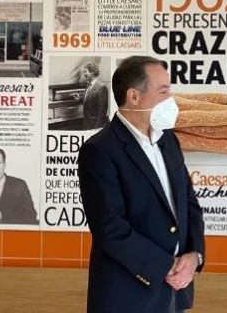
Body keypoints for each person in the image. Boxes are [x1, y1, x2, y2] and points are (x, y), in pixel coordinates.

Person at [78, 56, 205, 313]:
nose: (171, 99)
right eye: (163, 91)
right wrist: (166, 266)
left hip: (175, 290)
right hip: (127, 295)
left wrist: (194, 256)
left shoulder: (169, 141)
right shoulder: (100, 150)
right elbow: (111, 229)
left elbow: (189, 203)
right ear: (134, 97)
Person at [76, 61, 109, 130]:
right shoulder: (88, 85)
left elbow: (102, 113)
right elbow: (91, 99)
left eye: (85, 72)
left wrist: (96, 130)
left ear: (92, 72)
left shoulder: (102, 87)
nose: (84, 74)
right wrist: (80, 98)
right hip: (86, 124)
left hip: (94, 127)